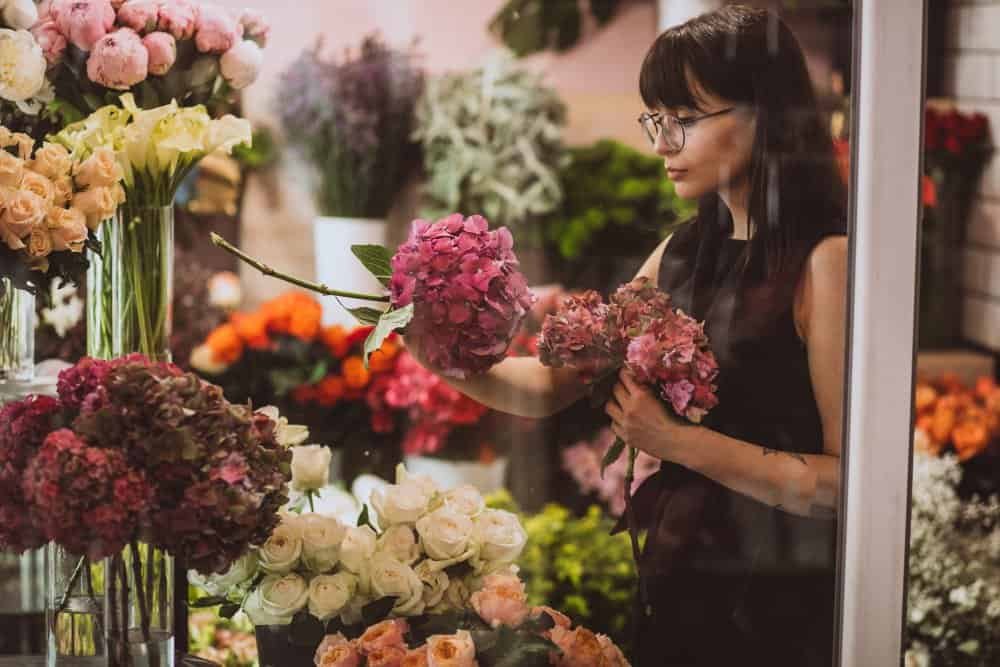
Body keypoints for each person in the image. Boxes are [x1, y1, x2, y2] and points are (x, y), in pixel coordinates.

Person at [405, 5, 847, 665]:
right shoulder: (679, 254)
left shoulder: (825, 261)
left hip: (777, 602)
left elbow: (842, 484)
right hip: (681, 577)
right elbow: (552, 385)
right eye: (656, 119)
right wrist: (429, 345)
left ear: (766, 114)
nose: (662, 142)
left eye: (684, 120)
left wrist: (679, 443)